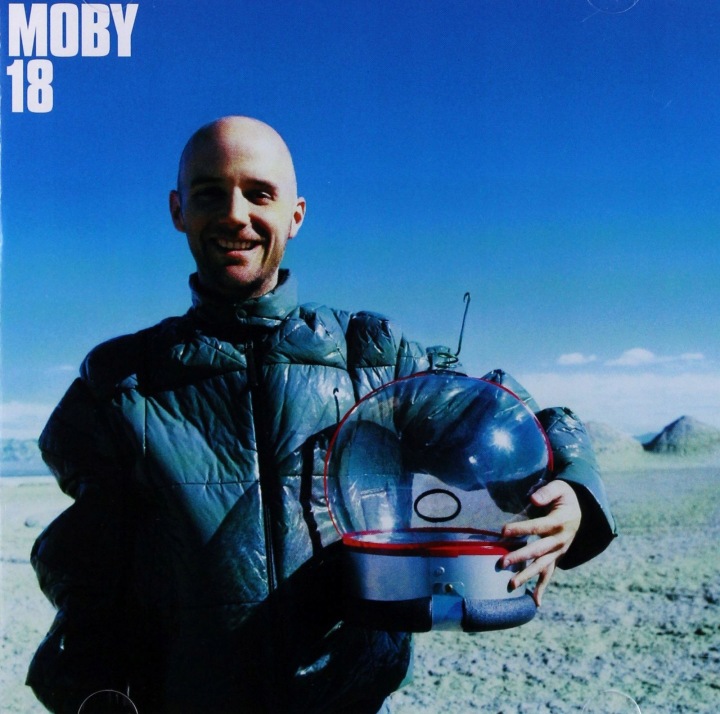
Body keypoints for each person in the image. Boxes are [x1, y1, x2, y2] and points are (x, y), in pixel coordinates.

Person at [27, 116, 616, 714]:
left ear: (296, 215)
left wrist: (572, 490)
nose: (235, 215)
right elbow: (86, 575)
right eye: (209, 193)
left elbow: (510, 416)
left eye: (260, 194)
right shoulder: (122, 384)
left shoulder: (374, 358)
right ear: (179, 210)